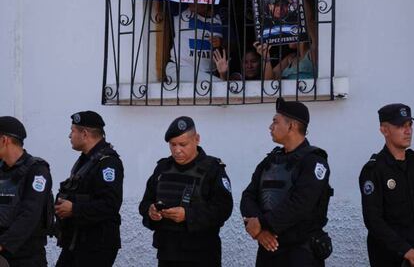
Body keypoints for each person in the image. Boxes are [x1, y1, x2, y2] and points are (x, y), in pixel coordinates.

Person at [240, 98, 333, 267]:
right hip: (268, 250)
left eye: (275, 121)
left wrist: (261, 224)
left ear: (292, 126)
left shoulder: (314, 162)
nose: (270, 127)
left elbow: (300, 204)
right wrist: (260, 232)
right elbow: (248, 196)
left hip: (300, 253)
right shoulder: (270, 161)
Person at [139, 116, 233, 267]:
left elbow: (223, 209)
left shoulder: (212, 169)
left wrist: (188, 215)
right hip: (167, 252)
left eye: (183, 144)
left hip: (201, 254)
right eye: (173, 144)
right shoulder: (163, 167)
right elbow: (145, 202)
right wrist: (151, 212)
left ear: (196, 139)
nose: (177, 150)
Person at [55, 111, 124, 267]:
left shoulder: (108, 163)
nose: (69, 135)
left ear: (84, 134)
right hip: (77, 240)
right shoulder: (86, 160)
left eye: (73, 131)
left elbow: (110, 204)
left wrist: (74, 209)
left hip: (96, 245)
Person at [359, 103, 414, 267]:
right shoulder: (374, 170)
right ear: (384, 130)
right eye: (400, 126)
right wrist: (405, 250)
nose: (408, 131)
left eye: (409, 125)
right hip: (390, 256)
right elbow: (373, 220)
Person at [0, 116, 53, 267]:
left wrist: (3, 243)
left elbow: (30, 215)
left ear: (4, 140)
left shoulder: (37, 171)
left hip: (26, 256)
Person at [165, 3, 226, 82]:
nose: (191, 0)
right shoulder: (181, 9)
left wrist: (221, 42)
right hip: (180, 68)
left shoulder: (219, 18)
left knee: (219, 87)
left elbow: (233, 43)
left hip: (209, 73)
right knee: (220, 86)